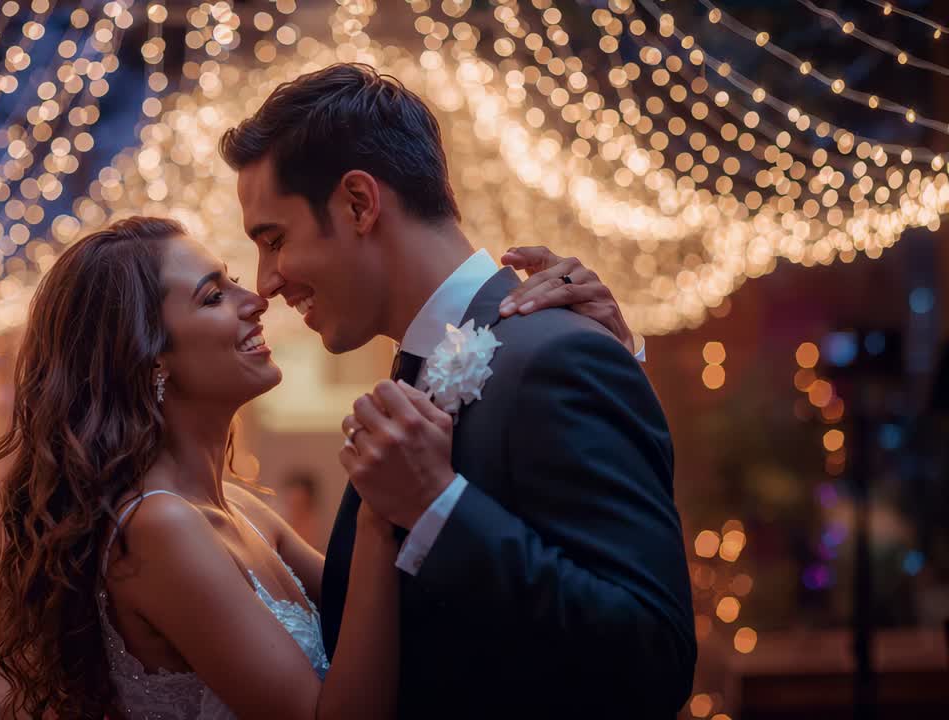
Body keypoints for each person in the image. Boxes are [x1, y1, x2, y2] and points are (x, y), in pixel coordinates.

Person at [0, 213, 638, 719]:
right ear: (148, 357)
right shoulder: (160, 529)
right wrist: (378, 515)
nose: (254, 298)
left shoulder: (242, 511)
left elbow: (417, 615)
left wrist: (592, 357)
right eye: (212, 296)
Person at [222, 63, 695, 717]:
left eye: (274, 240)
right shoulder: (423, 369)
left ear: (359, 204)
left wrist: (438, 506)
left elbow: (653, 660)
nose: (266, 281)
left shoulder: (555, 356)